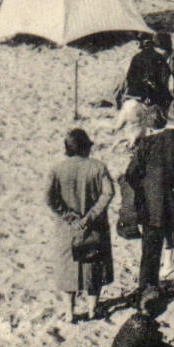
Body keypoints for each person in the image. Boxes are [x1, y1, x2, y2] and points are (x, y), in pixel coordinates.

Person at [121, 102, 174, 302]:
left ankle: (147, 290)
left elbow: (131, 175)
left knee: (150, 251)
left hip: (152, 208)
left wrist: (146, 191)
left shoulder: (148, 143)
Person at [46, 128, 116, 321]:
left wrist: (69, 216)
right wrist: (91, 216)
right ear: (86, 147)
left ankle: (70, 313)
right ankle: (93, 309)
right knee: (94, 266)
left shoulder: (57, 170)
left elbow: (50, 199)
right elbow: (108, 193)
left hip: (68, 229)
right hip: (94, 226)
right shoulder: (98, 167)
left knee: (68, 267)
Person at [123, 35, 173, 114]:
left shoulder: (136, 58)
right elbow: (167, 74)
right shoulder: (159, 57)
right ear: (152, 45)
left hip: (138, 93)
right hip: (157, 93)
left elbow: (130, 77)